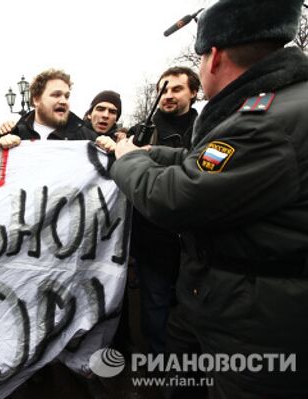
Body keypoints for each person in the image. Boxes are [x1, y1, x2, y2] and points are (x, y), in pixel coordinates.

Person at [102, 0, 308, 396]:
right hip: (229, 302)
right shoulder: (275, 105)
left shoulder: (265, 121)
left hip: (252, 323)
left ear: (213, 58)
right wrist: (155, 154)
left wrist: (126, 159)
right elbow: (208, 165)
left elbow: (175, 197)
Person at [128, 66, 200, 355]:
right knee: (155, 302)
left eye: (176, 89)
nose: (168, 96)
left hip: (198, 241)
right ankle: (161, 364)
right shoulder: (142, 132)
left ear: (193, 92)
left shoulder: (211, 127)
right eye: (164, 90)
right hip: (153, 237)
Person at [8, 68, 97, 141]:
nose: (63, 101)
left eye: (66, 96)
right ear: (36, 100)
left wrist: (110, 152)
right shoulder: (14, 134)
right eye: (56, 95)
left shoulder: (87, 138)